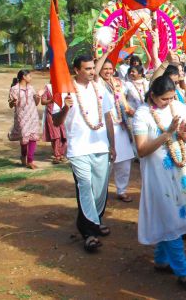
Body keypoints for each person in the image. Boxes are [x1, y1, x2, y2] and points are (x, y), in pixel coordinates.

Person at [131, 75, 186, 292]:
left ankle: (161, 261)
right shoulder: (142, 114)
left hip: (180, 172)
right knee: (171, 219)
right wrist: (168, 134)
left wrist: (184, 133)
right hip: (157, 175)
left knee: (175, 216)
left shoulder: (178, 107)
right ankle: (184, 273)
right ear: (152, 95)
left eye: (172, 98)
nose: (169, 102)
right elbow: (142, 150)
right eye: (164, 99)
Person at [52, 55, 116, 253]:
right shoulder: (65, 90)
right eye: (87, 69)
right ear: (76, 70)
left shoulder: (100, 88)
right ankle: (89, 233)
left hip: (100, 147)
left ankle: (95, 221)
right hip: (78, 149)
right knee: (85, 188)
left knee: (99, 189)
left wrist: (112, 145)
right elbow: (56, 122)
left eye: (92, 68)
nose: (92, 72)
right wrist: (65, 108)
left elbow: (108, 118)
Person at [99, 60, 135, 202]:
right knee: (106, 163)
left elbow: (124, 100)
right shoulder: (96, 84)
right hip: (103, 128)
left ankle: (122, 190)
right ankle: (101, 191)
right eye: (105, 69)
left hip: (121, 125)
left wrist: (128, 110)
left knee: (124, 161)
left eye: (110, 68)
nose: (108, 71)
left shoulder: (118, 83)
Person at [8, 70, 42, 169]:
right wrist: (13, 102)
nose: (31, 78)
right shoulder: (14, 89)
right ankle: (23, 156)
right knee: (24, 139)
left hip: (33, 116)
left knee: (33, 138)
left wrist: (38, 96)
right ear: (24, 77)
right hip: (22, 117)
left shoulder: (31, 88)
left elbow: (36, 103)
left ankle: (30, 160)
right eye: (29, 76)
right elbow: (10, 105)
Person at [41, 82, 67, 164]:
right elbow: (43, 101)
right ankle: (57, 155)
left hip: (63, 114)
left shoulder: (64, 87)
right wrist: (51, 100)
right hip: (51, 115)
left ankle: (61, 153)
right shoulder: (48, 88)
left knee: (64, 136)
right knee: (56, 136)